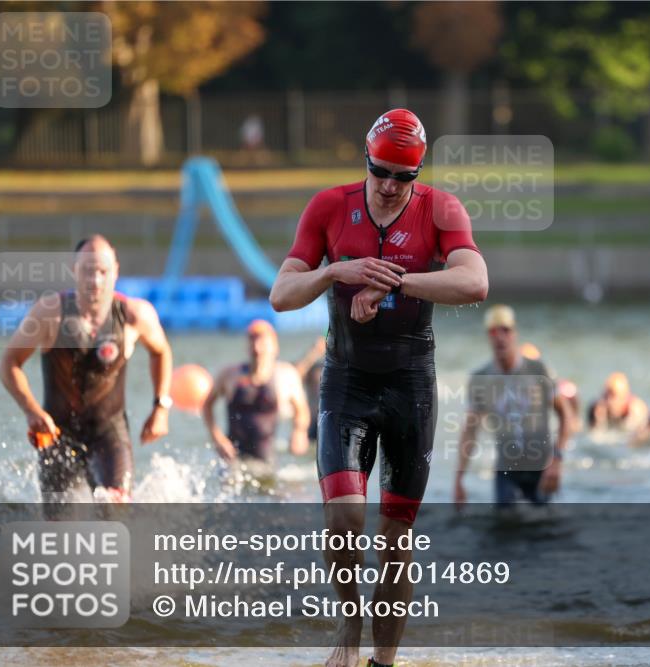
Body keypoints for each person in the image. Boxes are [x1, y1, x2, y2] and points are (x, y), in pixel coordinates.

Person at [269, 108, 488, 667]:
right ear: (364, 159)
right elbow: (282, 294)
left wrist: (393, 279)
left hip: (411, 382)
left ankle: (382, 663)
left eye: (403, 176)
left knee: (395, 538)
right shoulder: (329, 206)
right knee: (343, 519)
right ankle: (350, 623)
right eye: (381, 171)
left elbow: (475, 281)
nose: (390, 186)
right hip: (346, 378)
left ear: (419, 174)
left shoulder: (441, 208)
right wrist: (333, 273)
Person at [0, 235, 173, 515]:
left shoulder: (134, 315)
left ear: (115, 272)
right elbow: (9, 363)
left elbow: (161, 352)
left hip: (109, 433)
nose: (95, 280)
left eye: (103, 272)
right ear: (74, 271)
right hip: (57, 435)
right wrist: (30, 410)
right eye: (87, 271)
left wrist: (161, 406)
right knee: (61, 530)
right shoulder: (49, 313)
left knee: (115, 513)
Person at [454, 305, 572, 507]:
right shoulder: (480, 378)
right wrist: (459, 478)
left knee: (548, 531)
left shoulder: (538, 369)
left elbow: (566, 415)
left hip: (542, 468)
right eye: (493, 331)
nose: (500, 337)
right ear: (488, 336)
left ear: (515, 334)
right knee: (504, 532)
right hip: (506, 471)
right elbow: (470, 431)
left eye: (505, 330)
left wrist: (557, 460)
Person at [201, 320, 311, 467]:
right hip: (232, 460)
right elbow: (207, 405)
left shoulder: (286, 375)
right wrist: (217, 438)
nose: (257, 349)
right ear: (247, 346)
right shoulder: (229, 375)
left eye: (263, 343)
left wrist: (299, 432)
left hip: (265, 463)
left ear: (275, 347)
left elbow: (301, 410)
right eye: (253, 342)